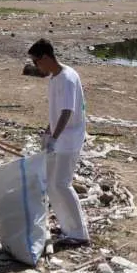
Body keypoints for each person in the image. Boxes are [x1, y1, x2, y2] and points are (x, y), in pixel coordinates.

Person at [28, 38, 90, 248]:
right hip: (58, 138)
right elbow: (56, 112)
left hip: (69, 139)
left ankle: (79, 233)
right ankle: (67, 227)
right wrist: (47, 132)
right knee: (52, 186)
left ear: (46, 57)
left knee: (62, 184)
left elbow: (67, 111)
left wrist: (55, 137)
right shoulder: (54, 79)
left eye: (37, 62)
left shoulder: (68, 78)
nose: (37, 67)